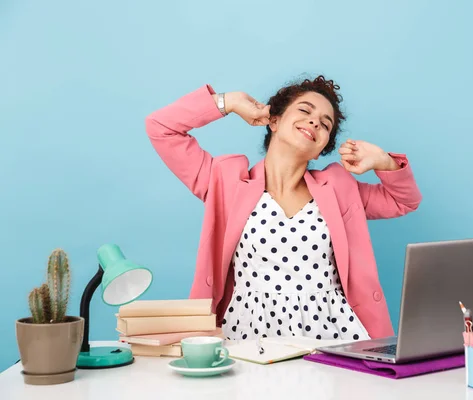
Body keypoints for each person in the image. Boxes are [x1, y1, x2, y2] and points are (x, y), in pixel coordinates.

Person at [145, 75, 422, 342]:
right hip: (248, 335)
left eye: (325, 125)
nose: (315, 121)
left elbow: (404, 201)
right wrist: (229, 101)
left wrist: (384, 162)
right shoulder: (225, 180)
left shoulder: (340, 189)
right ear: (273, 121)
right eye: (305, 110)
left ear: (320, 149)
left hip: (333, 336)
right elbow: (161, 127)